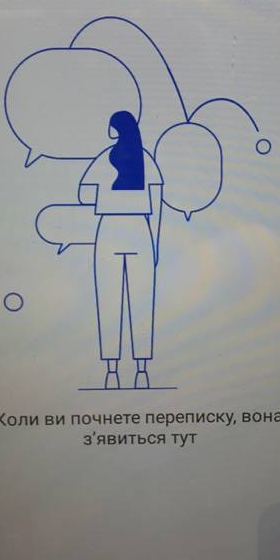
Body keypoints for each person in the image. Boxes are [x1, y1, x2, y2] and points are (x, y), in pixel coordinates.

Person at [78, 111, 163, 389]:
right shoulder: (143, 159)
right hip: (133, 231)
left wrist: (108, 196)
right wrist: (155, 242)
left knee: (117, 300)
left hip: (117, 229)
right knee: (131, 300)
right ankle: (136, 371)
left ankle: (116, 371)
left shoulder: (112, 158)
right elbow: (156, 205)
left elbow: (84, 194)